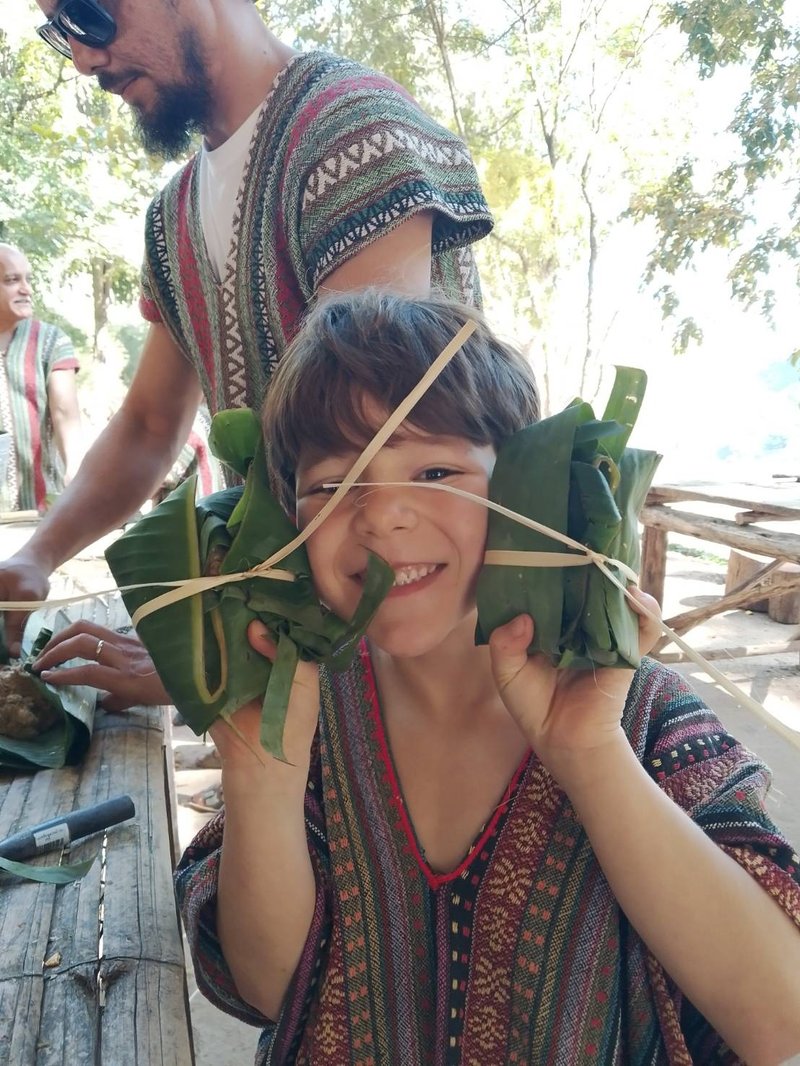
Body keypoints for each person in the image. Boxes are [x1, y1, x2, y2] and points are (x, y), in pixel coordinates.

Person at [175, 291, 800, 1065]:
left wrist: (590, 754)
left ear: (523, 488)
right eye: (334, 484)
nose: (383, 515)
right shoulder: (303, 710)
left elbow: (780, 1022)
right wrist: (261, 778)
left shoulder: (634, 714)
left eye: (435, 469)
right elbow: (271, 990)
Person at [9, 0, 492, 709]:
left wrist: (221, 649)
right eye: (61, 31)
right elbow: (149, 426)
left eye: (89, 14)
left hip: (418, 657)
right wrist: (33, 557)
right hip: (306, 659)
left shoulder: (351, 131)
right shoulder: (171, 217)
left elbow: (369, 447)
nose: (83, 58)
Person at [0, 244, 83, 514]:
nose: (26, 289)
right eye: (12, 280)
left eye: (27, 279)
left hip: (38, 514)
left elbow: (64, 414)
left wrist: (75, 470)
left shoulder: (50, 341)